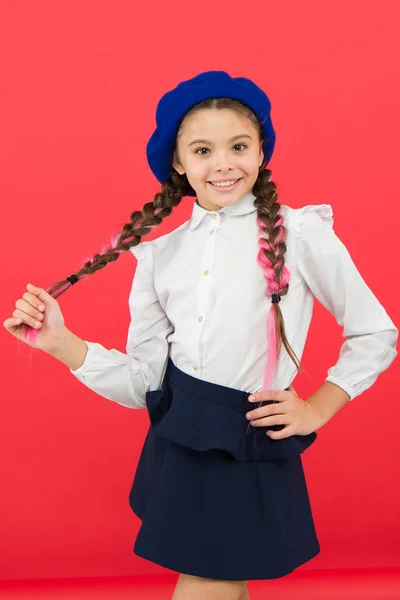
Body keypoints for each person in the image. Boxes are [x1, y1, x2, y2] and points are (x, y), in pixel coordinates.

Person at [4, 70, 398, 600]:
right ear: (178, 162)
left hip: (247, 433)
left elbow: (375, 332)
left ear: (261, 151)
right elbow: (145, 383)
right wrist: (60, 342)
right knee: (218, 577)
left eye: (238, 145)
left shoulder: (301, 233)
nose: (223, 164)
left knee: (209, 578)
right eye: (202, 150)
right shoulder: (159, 257)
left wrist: (320, 406)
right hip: (182, 433)